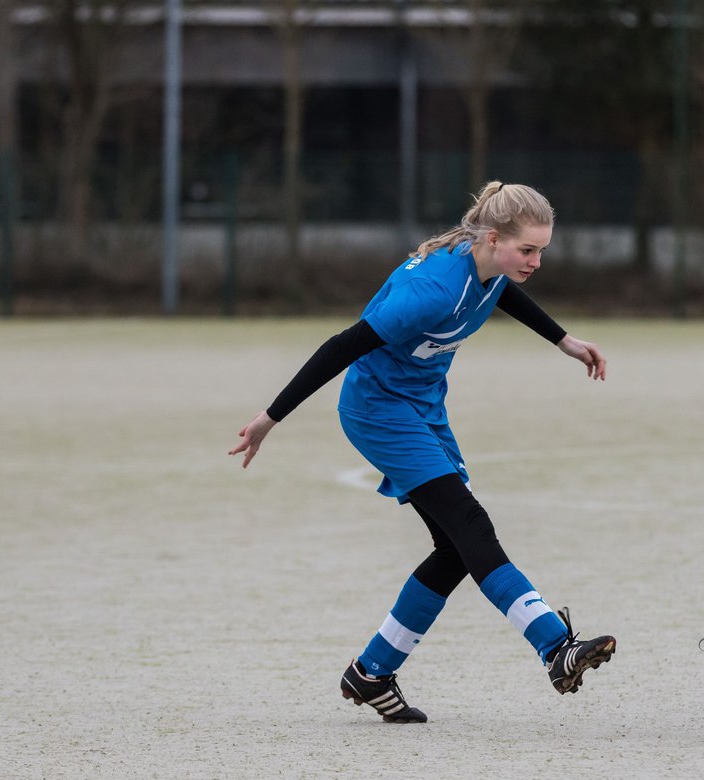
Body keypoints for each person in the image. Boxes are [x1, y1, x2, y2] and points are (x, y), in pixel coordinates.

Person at [229, 181, 616, 723]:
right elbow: (342, 347)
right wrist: (269, 419)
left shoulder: (488, 266)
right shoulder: (431, 290)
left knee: (456, 548)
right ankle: (556, 648)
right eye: (527, 250)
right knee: (471, 526)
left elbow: (498, 289)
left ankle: (371, 672)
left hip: (424, 407)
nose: (536, 261)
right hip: (378, 410)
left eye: (541, 251)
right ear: (490, 237)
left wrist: (564, 341)